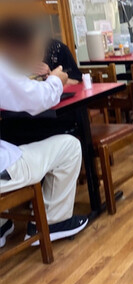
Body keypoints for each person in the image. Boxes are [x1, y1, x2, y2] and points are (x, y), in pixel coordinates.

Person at [0, 20, 88, 248]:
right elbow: (37, 99)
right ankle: (51, 223)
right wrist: (56, 81)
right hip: (3, 169)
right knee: (70, 145)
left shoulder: (57, 49)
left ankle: (2, 224)